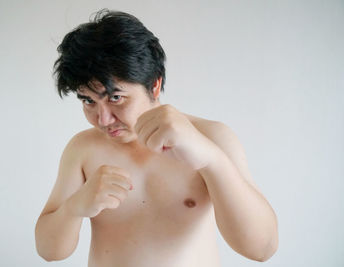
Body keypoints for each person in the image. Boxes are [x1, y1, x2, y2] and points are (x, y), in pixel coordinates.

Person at [34, 8, 278, 266]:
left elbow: (262, 249)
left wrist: (211, 160)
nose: (103, 119)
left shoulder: (211, 137)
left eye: (116, 98)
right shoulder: (83, 149)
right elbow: (49, 251)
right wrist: (75, 207)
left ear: (155, 85)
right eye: (88, 101)